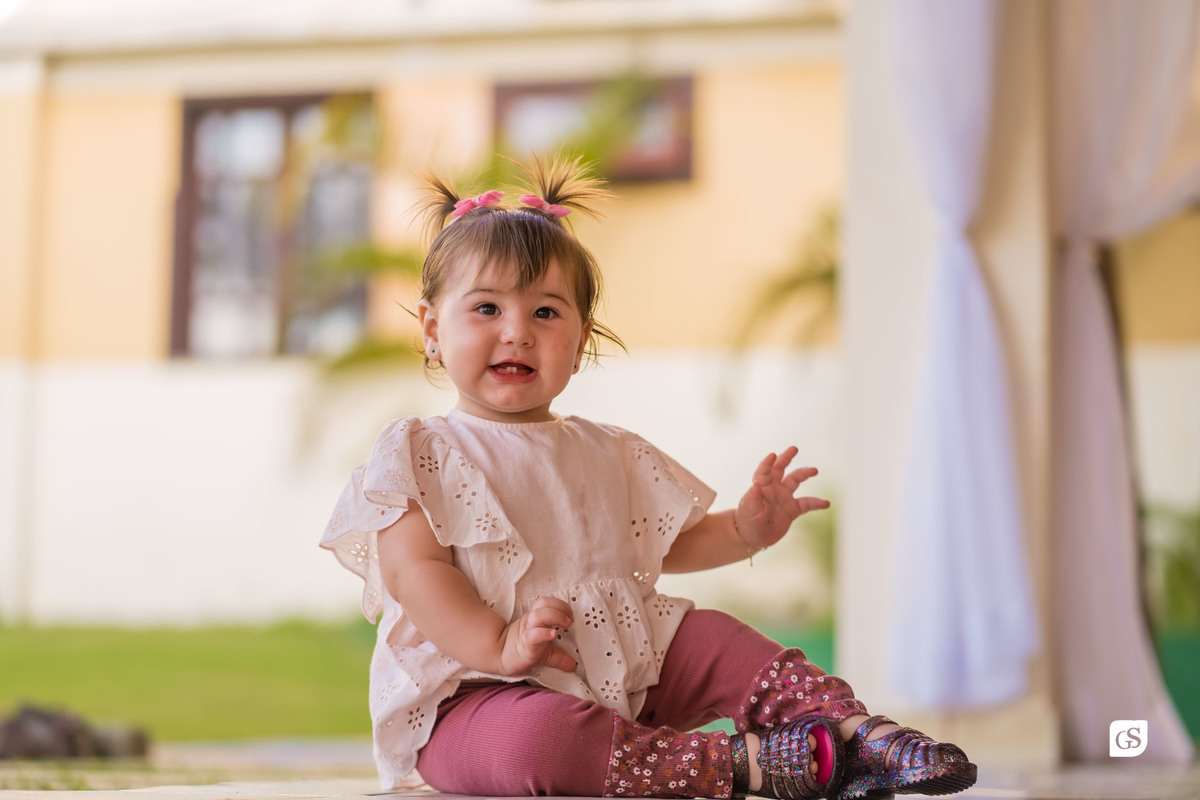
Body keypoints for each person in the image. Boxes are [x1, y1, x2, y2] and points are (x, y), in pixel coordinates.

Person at [320, 156, 977, 800]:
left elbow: (666, 542)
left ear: (581, 342)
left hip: (619, 666)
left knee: (715, 637)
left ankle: (857, 737)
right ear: (433, 330)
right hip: (474, 700)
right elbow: (416, 573)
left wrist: (745, 529)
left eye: (546, 313)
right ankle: (743, 764)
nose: (517, 332)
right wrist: (500, 644)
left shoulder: (607, 450)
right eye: (486, 309)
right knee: (541, 746)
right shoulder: (422, 449)